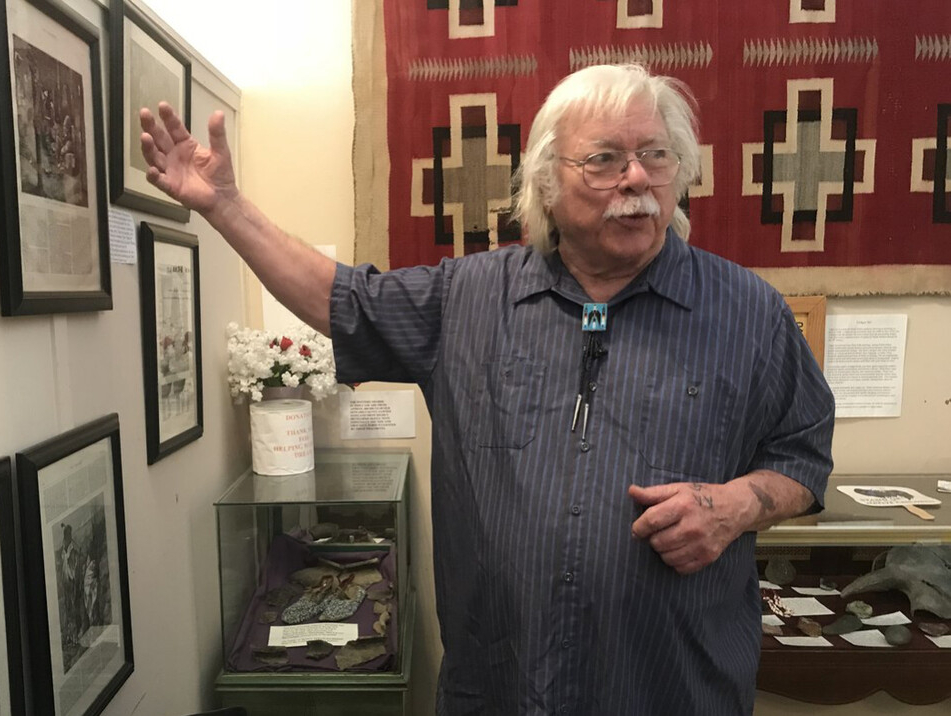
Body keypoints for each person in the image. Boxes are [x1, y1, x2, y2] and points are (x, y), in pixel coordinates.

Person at [140, 63, 834, 715]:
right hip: (506, 684)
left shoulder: (749, 313)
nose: (636, 179)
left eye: (656, 155)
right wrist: (224, 206)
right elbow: (339, 298)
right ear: (546, 184)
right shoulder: (467, 301)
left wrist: (735, 504)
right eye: (603, 159)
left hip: (670, 685)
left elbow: (803, 456)